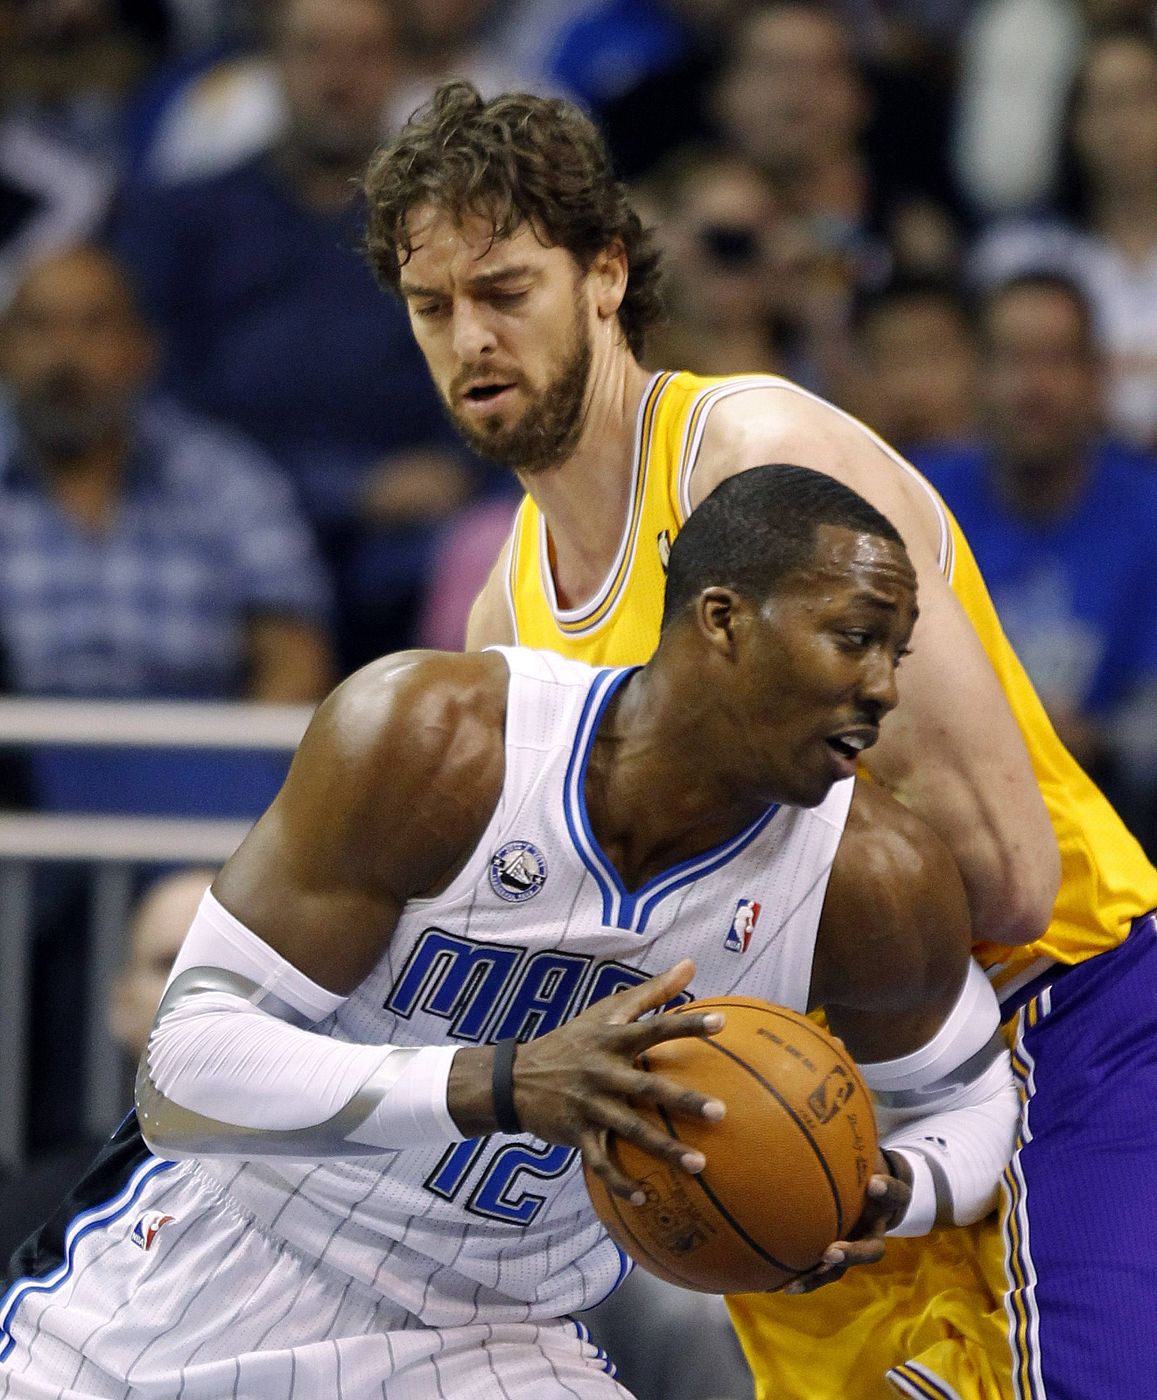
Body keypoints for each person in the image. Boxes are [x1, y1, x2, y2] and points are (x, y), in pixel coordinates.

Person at [362, 80, 1157, 1400]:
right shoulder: (508, 612)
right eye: (431, 306)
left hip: (1050, 1015)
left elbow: (1005, 871)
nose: (469, 338)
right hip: (798, 1112)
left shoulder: (754, 457)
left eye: (505, 288)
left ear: (605, 273)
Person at [0, 464, 1021, 1398]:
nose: (884, 687)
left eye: (895, 651)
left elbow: (974, 1103)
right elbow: (184, 1072)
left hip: (489, 1332)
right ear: (722, 620)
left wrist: (881, 1187)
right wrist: (500, 1081)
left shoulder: (870, 875)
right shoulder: (440, 738)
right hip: (216, 1267)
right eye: (854, 636)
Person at [912, 272, 1157, 851]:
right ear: (976, 375)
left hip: (1119, 820)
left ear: (1098, 377)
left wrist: (1098, 737)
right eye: (1011, 359)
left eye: (1057, 359)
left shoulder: (1148, 512)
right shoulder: (919, 499)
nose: (1034, 386)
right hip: (951, 821)